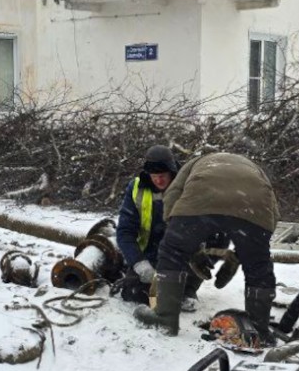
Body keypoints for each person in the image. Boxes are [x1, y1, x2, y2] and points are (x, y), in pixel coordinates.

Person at [134, 152, 279, 340]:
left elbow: (172, 197)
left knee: (171, 251)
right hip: (253, 205)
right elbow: (272, 215)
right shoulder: (255, 170)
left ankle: (165, 319)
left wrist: (181, 241)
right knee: (259, 267)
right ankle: (259, 329)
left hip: (200, 200)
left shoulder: (195, 164)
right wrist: (246, 253)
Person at [115, 145, 205, 309]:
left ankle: (188, 289)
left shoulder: (189, 187)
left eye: (163, 175)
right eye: (154, 175)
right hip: (148, 255)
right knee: (133, 293)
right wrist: (139, 263)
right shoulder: (135, 188)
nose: (159, 180)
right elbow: (124, 232)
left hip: (181, 255)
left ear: (172, 171)